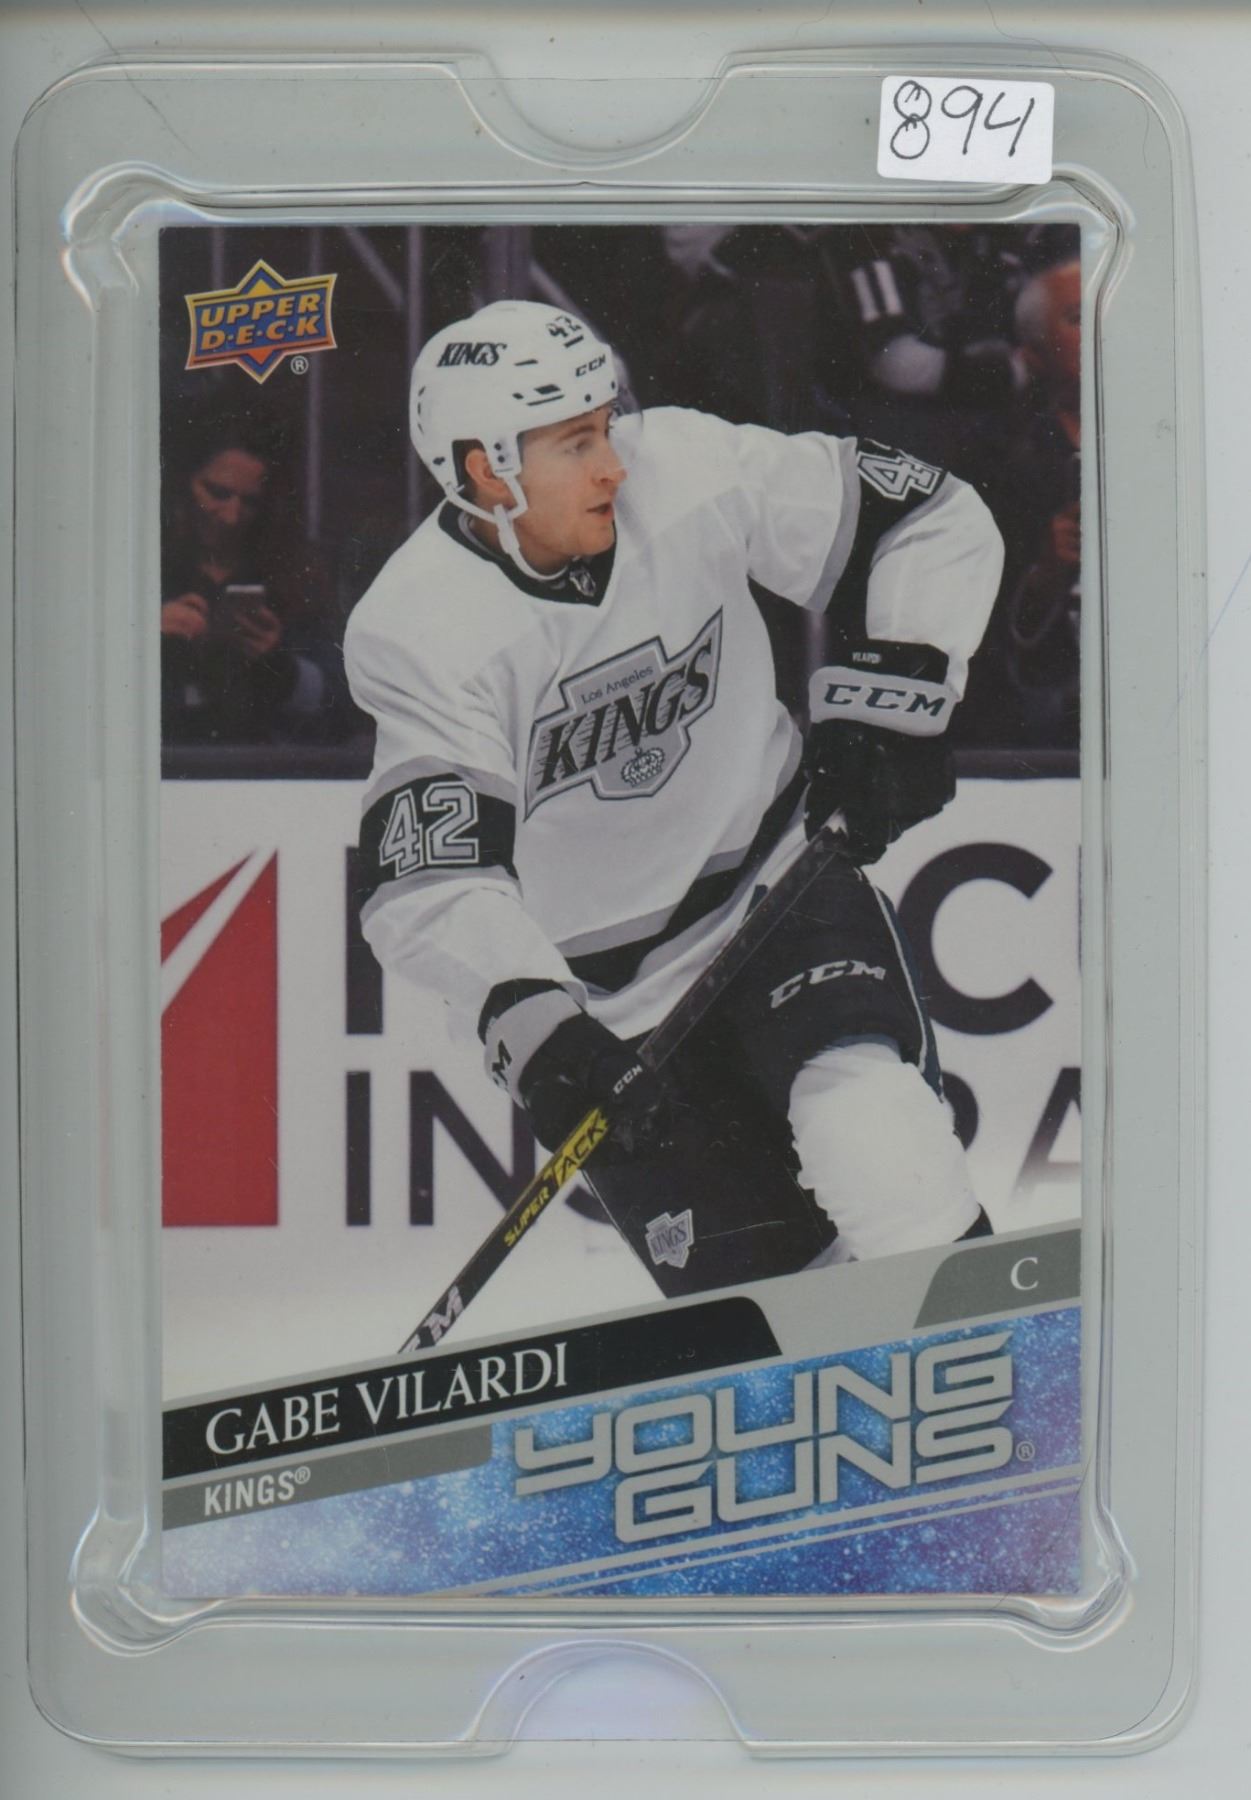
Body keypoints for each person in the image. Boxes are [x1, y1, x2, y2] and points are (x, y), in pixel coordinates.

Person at [345, 300, 1005, 1297]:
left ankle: (994, 1355)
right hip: (610, 1001)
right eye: (575, 443)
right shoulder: (419, 628)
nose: (613, 464)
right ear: (486, 471)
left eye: (607, 424)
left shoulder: (687, 467)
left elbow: (931, 515)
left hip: (780, 892)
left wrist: (896, 708)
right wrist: (538, 1022)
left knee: (878, 1143)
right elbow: (432, 878)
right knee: (777, 1305)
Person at [161, 424, 350, 745]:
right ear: (183, 484)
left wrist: (280, 668)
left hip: (261, 760)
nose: (231, 516)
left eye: (249, 502)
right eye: (218, 493)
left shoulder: (294, 575)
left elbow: (343, 702)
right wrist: (141, 636)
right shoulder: (140, 561)